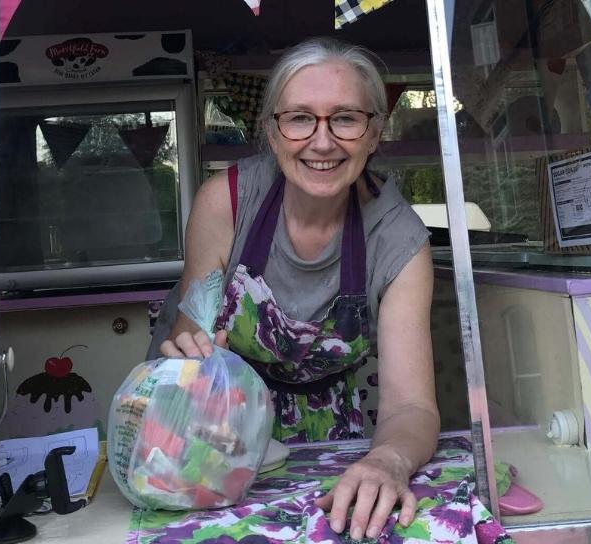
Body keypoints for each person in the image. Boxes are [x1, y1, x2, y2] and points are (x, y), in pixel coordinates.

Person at [159, 38, 439, 541]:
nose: (323, 141)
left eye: (346, 118)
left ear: (374, 133)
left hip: (331, 443)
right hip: (215, 429)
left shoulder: (399, 239)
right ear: (272, 131)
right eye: (300, 118)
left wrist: (388, 461)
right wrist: (189, 358)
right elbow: (191, 343)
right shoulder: (225, 203)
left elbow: (410, 407)